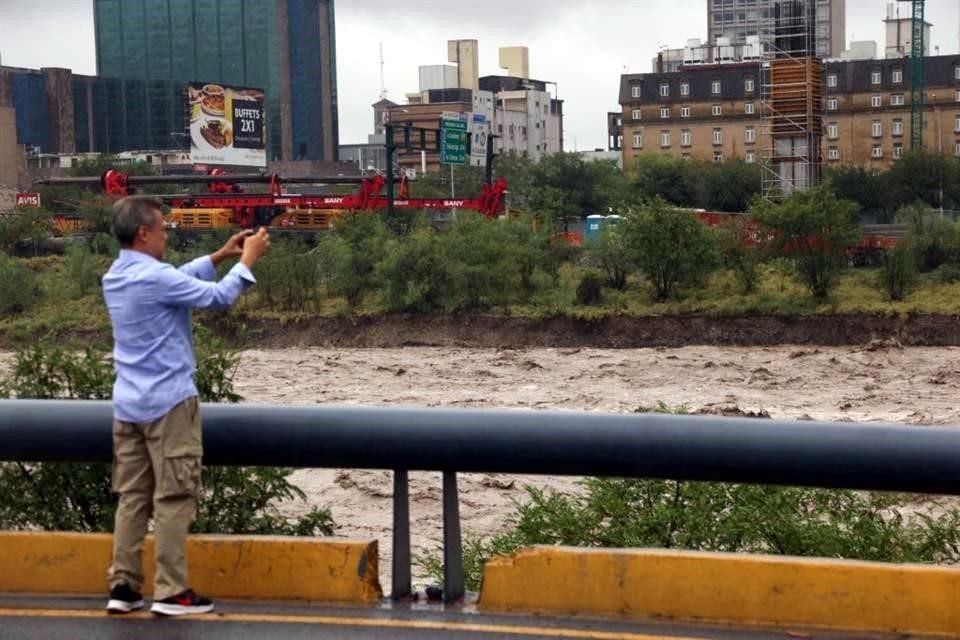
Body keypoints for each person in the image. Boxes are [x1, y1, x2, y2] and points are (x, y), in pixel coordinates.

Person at [101, 196, 270, 616]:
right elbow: (216, 298)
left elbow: (173, 279)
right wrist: (246, 261)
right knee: (175, 496)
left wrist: (218, 254)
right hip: (169, 404)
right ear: (143, 232)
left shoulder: (116, 276)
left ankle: (123, 587)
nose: (165, 234)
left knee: (133, 497)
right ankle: (172, 591)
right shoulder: (156, 279)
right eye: (161, 228)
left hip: (128, 406)